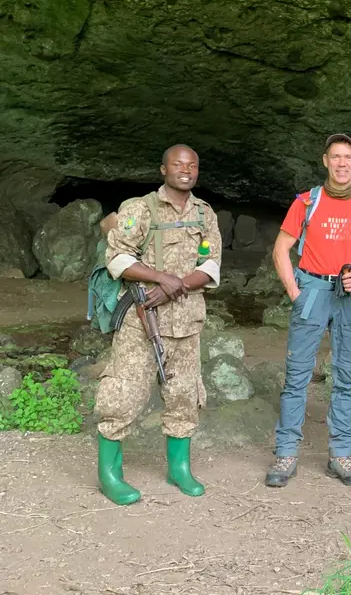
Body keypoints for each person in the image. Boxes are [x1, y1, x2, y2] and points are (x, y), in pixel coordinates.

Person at [95, 145, 222, 505]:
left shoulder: (204, 214)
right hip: (141, 322)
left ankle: (178, 468)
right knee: (125, 394)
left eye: (192, 165)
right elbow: (117, 259)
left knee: (184, 396)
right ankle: (110, 474)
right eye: (178, 165)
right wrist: (158, 278)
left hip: (186, 322)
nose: (186, 170)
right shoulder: (140, 209)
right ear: (163, 170)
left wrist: (176, 286)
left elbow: (212, 264)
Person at [266, 133, 351, 488]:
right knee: (297, 375)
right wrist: (295, 292)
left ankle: (341, 454)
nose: (342, 163)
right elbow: (281, 248)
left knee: (347, 376)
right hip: (314, 289)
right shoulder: (307, 202)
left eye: (348, 157)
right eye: (336, 157)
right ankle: (286, 452)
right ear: (325, 161)